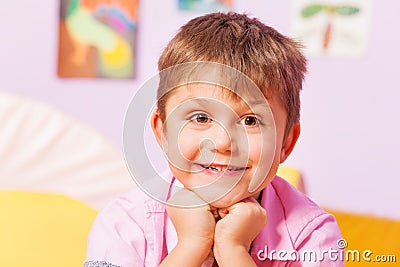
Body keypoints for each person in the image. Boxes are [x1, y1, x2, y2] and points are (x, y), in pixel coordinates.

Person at [84, 12, 343, 267]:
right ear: (163, 132)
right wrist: (191, 246)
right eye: (200, 118)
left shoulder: (312, 234)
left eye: (250, 121)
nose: (222, 143)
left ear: (286, 143)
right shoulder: (125, 222)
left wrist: (234, 252)